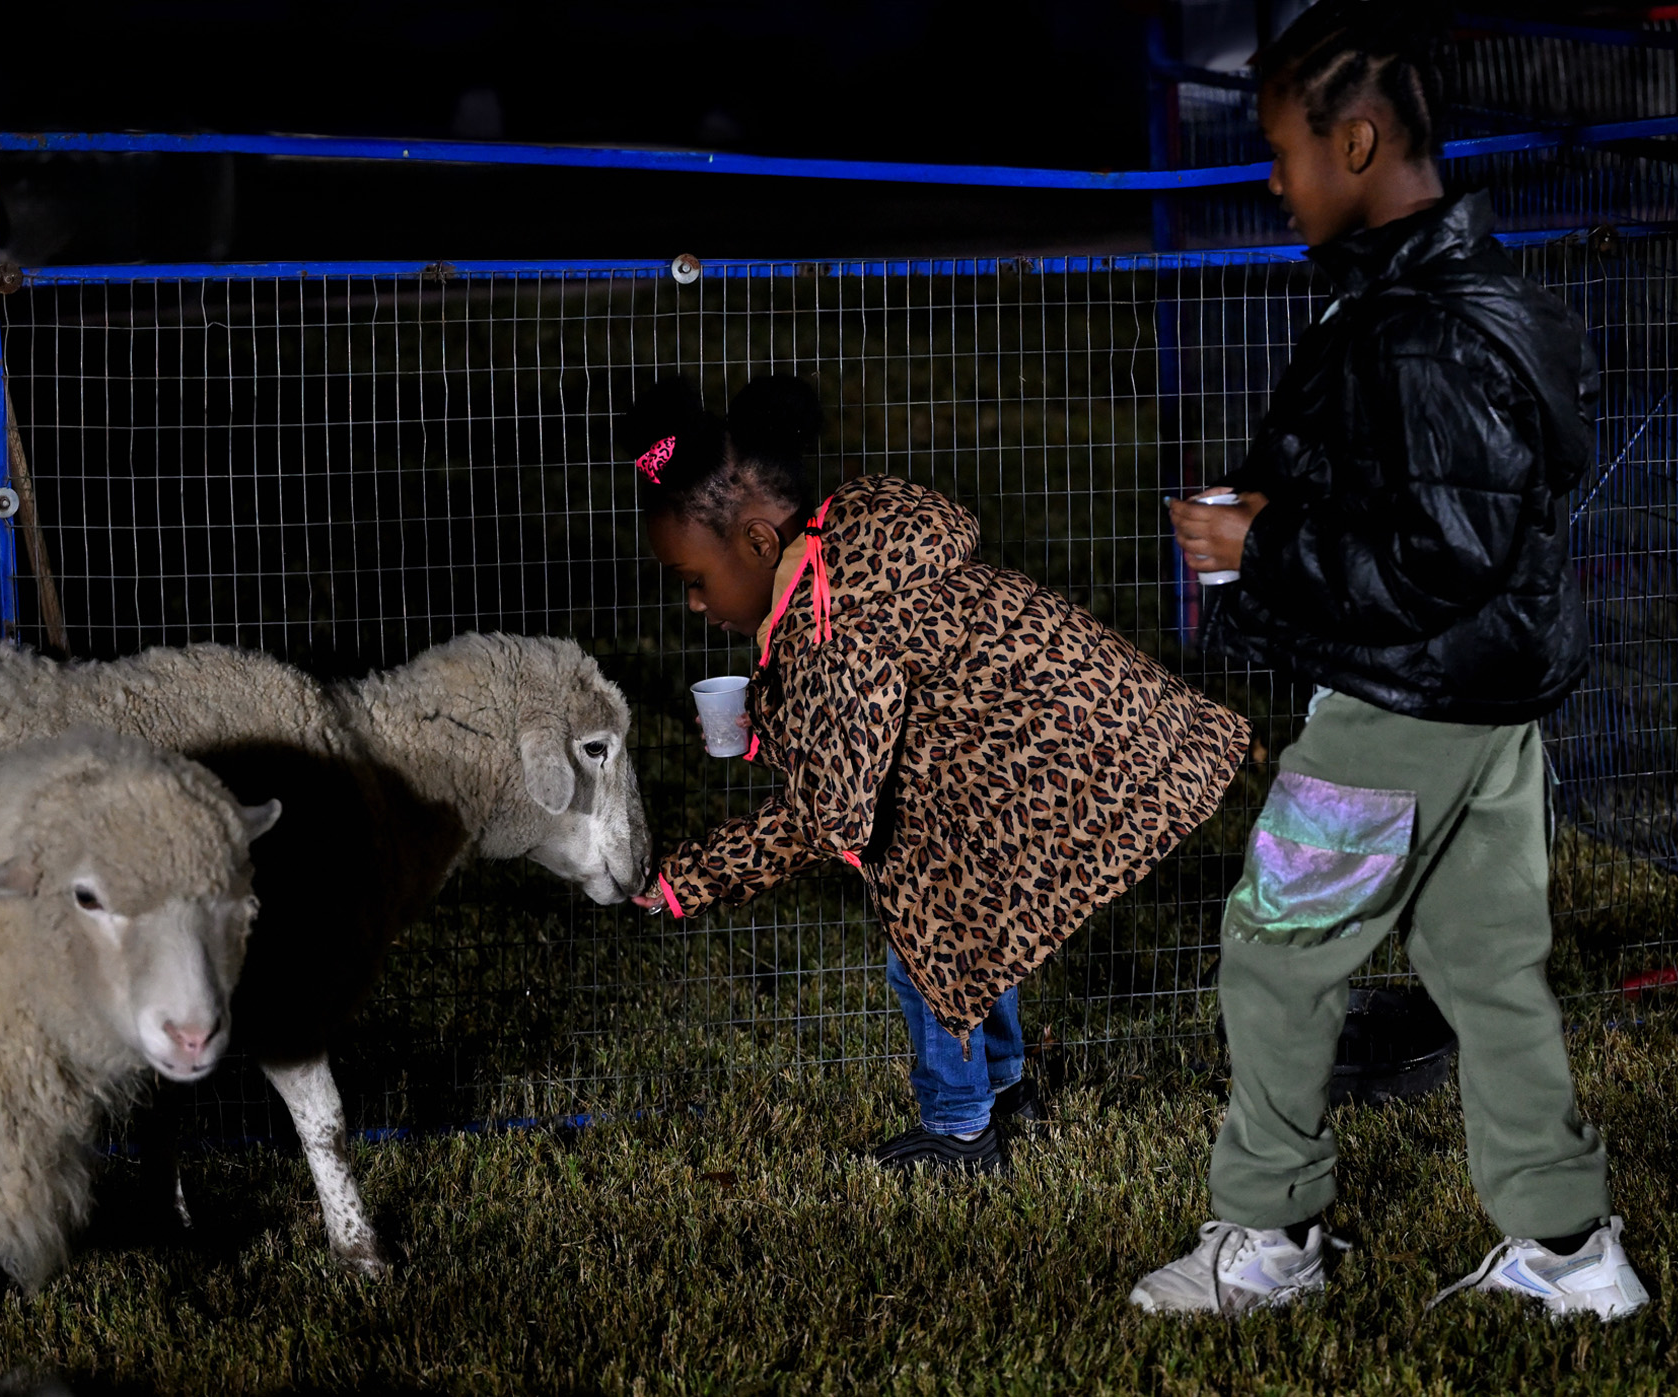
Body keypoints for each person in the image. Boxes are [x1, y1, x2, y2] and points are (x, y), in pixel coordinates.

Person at [1133, 0, 1646, 1320]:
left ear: (1355, 144)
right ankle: (1570, 1250)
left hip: (1400, 699)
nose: (1273, 178)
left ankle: (1269, 1236)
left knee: (1275, 951)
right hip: (1487, 701)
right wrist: (1279, 510)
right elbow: (1445, 508)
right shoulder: (1456, 300)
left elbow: (1441, 551)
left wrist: (1259, 544)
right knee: (1488, 970)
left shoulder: (1417, 327)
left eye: (1284, 151)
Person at [624, 373, 1250, 1172]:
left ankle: (960, 1128)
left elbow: (831, 811)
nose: (694, 603)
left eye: (695, 579)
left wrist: (690, 877)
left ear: (755, 543)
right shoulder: (845, 562)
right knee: (971, 914)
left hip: (1059, 764)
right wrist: (766, 730)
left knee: (925, 940)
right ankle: (1004, 1082)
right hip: (1036, 758)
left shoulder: (840, 627)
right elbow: (850, 730)